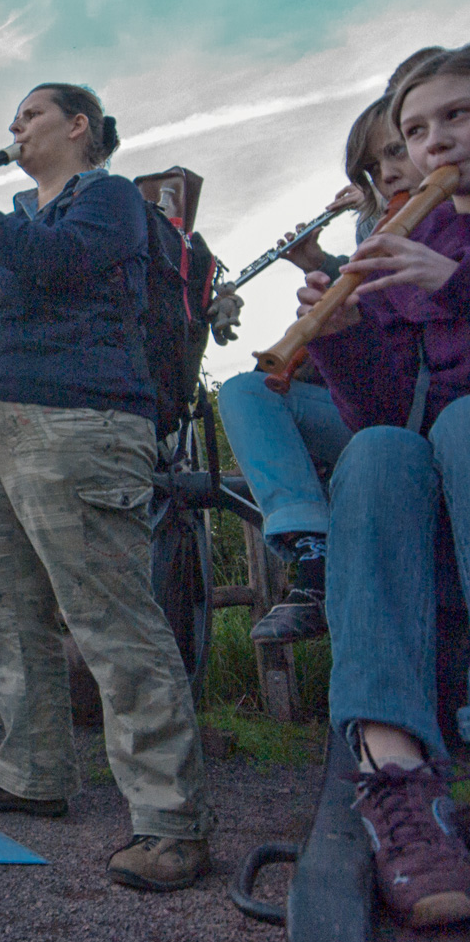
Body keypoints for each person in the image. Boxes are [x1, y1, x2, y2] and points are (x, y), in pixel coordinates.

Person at [0, 84, 211, 891]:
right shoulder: (13, 220)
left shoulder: (110, 204)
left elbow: (59, 267)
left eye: (29, 117)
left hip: (79, 420)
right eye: (13, 120)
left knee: (109, 616)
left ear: (77, 126)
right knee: (3, 608)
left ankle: (171, 821)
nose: (14, 129)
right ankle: (32, 772)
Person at [306, 46, 470, 928]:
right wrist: (339, 330)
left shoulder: (446, 254)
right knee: (376, 451)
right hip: (445, 490)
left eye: (459, 117)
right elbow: (384, 408)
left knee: (463, 424)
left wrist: (461, 285)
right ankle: (396, 777)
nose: (436, 141)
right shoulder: (418, 235)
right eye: (416, 128)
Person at [219, 94, 425, 644]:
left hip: (435, 412)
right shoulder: (377, 228)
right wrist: (322, 278)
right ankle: (313, 552)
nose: (386, 173)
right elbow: (376, 317)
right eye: (372, 167)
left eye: (396, 153)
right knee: (246, 390)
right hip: (380, 411)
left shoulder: (439, 223)